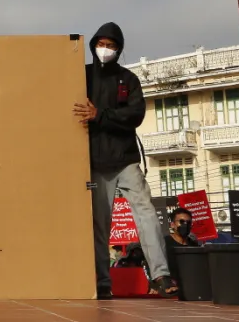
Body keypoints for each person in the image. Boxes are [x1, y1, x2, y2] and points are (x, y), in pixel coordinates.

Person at [75, 22, 175, 298]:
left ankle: (161, 275)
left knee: (146, 213)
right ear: (93, 44)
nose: (105, 49)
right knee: (100, 224)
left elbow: (136, 115)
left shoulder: (129, 79)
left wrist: (100, 115)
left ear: (119, 50)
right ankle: (102, 282)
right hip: (95, 161)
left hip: (127, 159)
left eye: (111, 46)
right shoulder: (80, 76)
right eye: (101, 44)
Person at [163, 206, 200, 294]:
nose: (185, 225)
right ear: (172, 225)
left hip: (190, 290)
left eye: (188, 222)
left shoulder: (194, 245)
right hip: (170, 291)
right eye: (181, 222)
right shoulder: (163, 243)